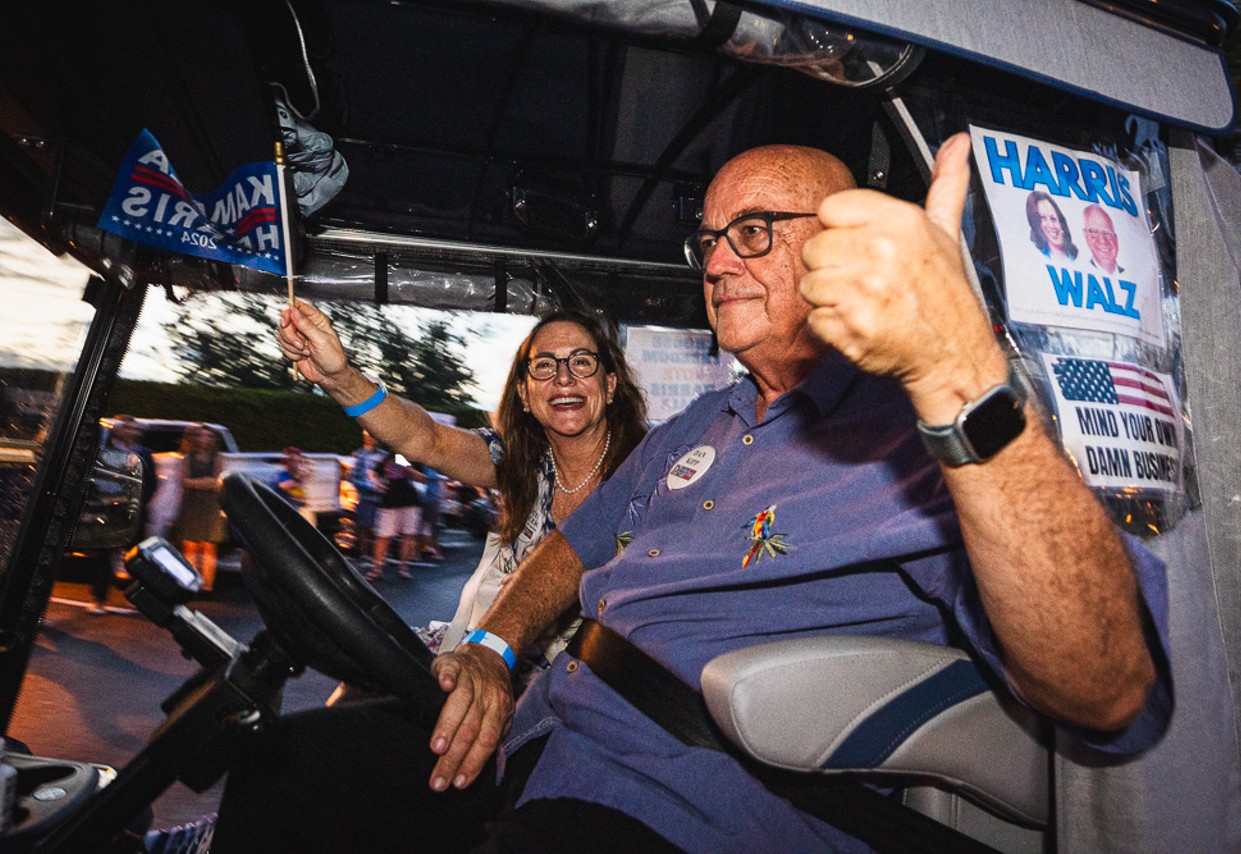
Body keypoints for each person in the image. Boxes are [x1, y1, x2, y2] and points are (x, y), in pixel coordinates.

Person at [214, 135, 1171, 853]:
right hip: (540, 735)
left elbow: (1107, 688)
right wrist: (499, 652)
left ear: (847, 243)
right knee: (285, 768)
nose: (716, 264)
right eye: (710, 240)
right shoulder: (693, 428)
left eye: (753, 233)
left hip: (691, 805)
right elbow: (575, 544)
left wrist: (960, 374)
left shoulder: (924, 433)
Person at [272, 303, 647, 683]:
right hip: (494, 657)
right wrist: (340, 378)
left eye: (581, 362)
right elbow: (425, 438)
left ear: (610, 385)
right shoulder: (520, 465)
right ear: (524, 394)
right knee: (366, 673)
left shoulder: (652, 475)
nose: (564, 379)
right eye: (545, 366)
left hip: (593, 686)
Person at [88, 415, 156, 614]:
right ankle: (98, 599)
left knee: (137, 556)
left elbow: (151, 483)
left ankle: (137, 599)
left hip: (136, 511)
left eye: (136, 429)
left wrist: (142, 502)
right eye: (128, 428)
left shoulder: (145, 453)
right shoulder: (105, 449)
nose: (133, 432)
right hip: (109, 509)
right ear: (118, 429)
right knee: (104, 555)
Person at [170, 423, 224, 592]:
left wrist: (195, 483)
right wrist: (205, 482)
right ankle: (192, 582)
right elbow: (184, 481)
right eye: (200, 435)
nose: (204, 439)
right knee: (190, 545)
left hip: (211, 506)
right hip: (191, 504)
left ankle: (207, 585)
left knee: (209, 546)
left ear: (214, 439)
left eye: (208, 436)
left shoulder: (218, 458)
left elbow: (217, 482)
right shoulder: (188, 458)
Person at [367, 450, 423, 580]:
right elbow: (372, 472)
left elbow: (421, 477)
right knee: (383, 535)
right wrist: (378, 484)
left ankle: (403, 567)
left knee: (408, 534)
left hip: (409, 499)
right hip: (390, 499)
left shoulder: (410, 457)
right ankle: (377, 568)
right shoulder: (386, 457)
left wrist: (408, 468)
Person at [347, 430, 385, 566]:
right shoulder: (360, 455)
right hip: (366, 497)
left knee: (377, 529)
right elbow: (353, 477)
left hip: (382, 498)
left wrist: (385, 486)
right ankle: (364, 555)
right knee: (364, 527)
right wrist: (368, 488)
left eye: (374, 436)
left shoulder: (385, 455)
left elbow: (398, 470)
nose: (371, 439)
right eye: (368, 436)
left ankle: (376, 557)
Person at [1026, 189, 1078, 261]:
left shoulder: (1078, 257)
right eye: (1043, 218)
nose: (1051, 225)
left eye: (1053, 218)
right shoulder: (1034, 257)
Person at [1082, 203, 1124, 274]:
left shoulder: (1135, 274)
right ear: (1085, 235)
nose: (1102, 240)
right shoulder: (1081, 272)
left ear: (1115, 238)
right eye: (1094, 232)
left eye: (1107, 233)